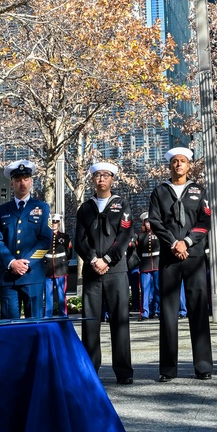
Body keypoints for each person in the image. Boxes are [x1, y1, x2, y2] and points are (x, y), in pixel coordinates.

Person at [148, 146, 213, 381]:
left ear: (189, 165)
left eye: (183, 161)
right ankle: (167, 369)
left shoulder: (198, 190)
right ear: (170, 165)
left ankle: (203, 366)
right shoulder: (159, 191)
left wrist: (186, 241)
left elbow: (205, 221)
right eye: (175, 161)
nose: (178, 165)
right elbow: (155, 221)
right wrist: (174, 243)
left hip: (193, 256)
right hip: (169, 257)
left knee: (198, 310)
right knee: (168, 312)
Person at [74, 161, 134, 384]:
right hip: (92, 272)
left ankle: (124, 371)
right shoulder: (85, 208)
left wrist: (108, 259)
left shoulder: (122, 205)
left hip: (116, 271)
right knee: (90, 322)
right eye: (98, 176)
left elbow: (124, 236)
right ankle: (90, 370)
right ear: (92, 179)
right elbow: (79, 239)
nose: (101, 179)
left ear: (112, 179)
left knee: (120, 321)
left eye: (106, 175)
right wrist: (92, 259)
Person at [0, 160, 52, 320]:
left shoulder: (43, 208)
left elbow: (46, 241)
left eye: (25, 179)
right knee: (10, 330)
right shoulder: (1, 211)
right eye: (18, 180)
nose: (22, 183)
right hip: (9, 278)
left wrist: (27, 263)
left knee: (35, 326)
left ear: (31, 181)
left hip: (33, 276)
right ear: (11, 184)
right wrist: (11, 262)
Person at [44, 213, 71, 317]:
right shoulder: (45, 237)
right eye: (52, 222)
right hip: (48, 268)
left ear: (59, 224)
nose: (54, 224)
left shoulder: (64, 237)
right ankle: (47, 315)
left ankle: (63, 314)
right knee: (48, 294)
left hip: (61, 268)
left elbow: (69, 253)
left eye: (56, 222)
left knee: (61, 294)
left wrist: (65, 264)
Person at [137, 214, 160, 319]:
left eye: (150, 222)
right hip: (145, 265)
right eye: (146, 222)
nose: (148, 224)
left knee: (158, 288)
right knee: (145, 289)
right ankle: (146, 312)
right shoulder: (140, 236)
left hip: (157, 263)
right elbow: (138, 251)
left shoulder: (158, 233)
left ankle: (158, 310)